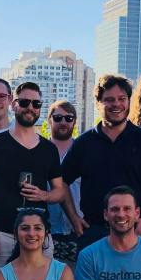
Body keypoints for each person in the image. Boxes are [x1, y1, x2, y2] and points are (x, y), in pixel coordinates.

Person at [61, 74, 141, 244]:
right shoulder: (83, 143)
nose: (116, 104)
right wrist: (73, 217)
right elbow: (61, 181)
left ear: (129, 101)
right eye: (109, 99)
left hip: (137, 232)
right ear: (98, 103)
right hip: (94, 232)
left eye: (122, 99)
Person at [0, 82, 67, 268]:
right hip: (4, 236)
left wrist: (44, 195)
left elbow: (60, 192)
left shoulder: (49, 149)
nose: (30, 108)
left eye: (36, 104)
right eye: (25, 102)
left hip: (40, 235)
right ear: (14, 104)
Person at [46, 100, 85, 263]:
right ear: (49, 120)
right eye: (58, 118)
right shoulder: (39, 151)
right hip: (46, 232)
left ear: (74, 122)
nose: (63, 122)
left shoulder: (83, 151)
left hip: (78, 230)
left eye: (68, 118)